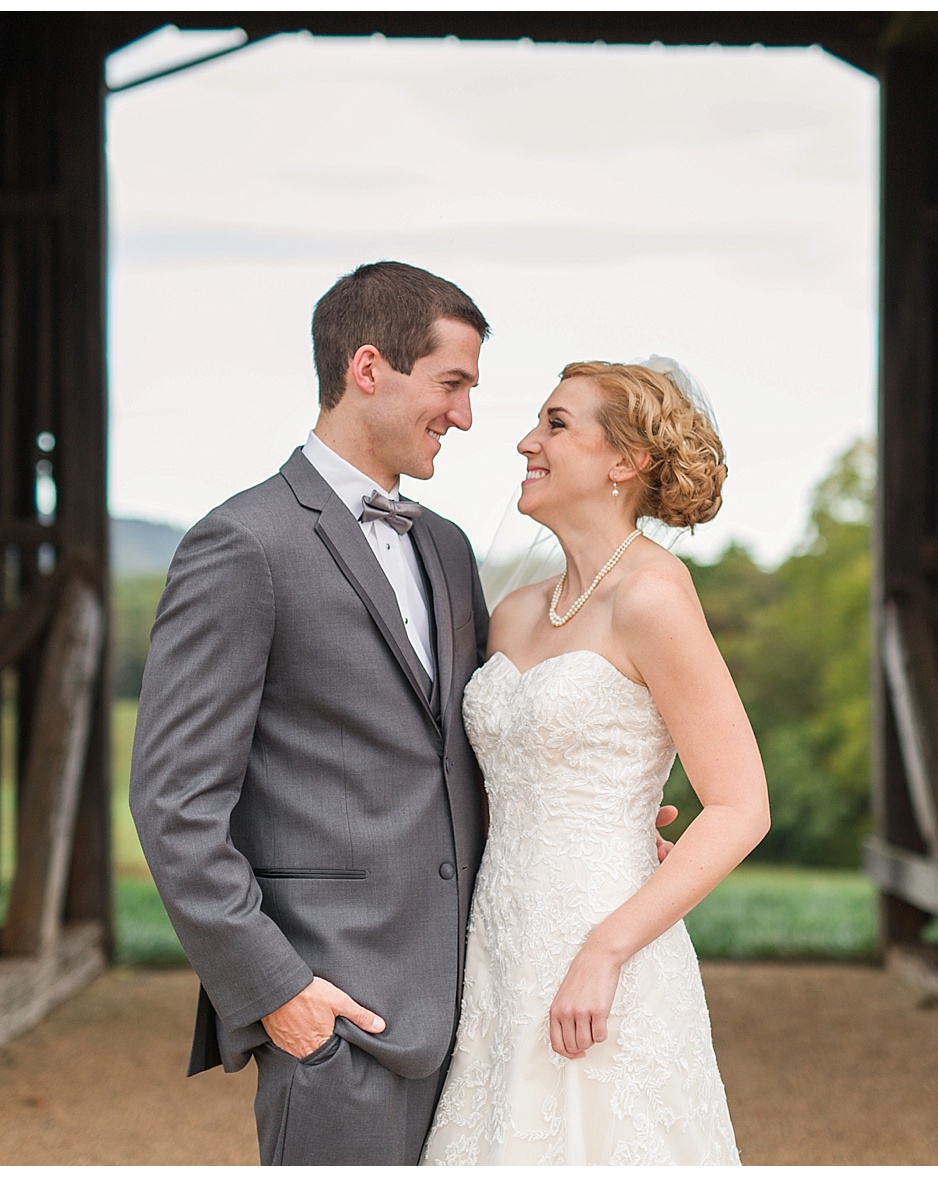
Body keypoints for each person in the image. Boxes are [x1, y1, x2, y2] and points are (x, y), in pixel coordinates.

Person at [129, 261, 495, 1166]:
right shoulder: (242, 542)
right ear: (368, 368)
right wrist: (278, 991)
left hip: (479, 1009)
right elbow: (174, 801)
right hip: (338, 1021)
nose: (465, 415)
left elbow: (465, 749)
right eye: (451, 383)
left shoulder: (446, 548)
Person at [421, 360, 770, 1165]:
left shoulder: (652, 595)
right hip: (499, 946)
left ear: (626, 461)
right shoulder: (509, 614)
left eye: (554, 424)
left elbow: (741, 804)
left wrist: (606, 948)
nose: (523, 442)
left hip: (604, 950)